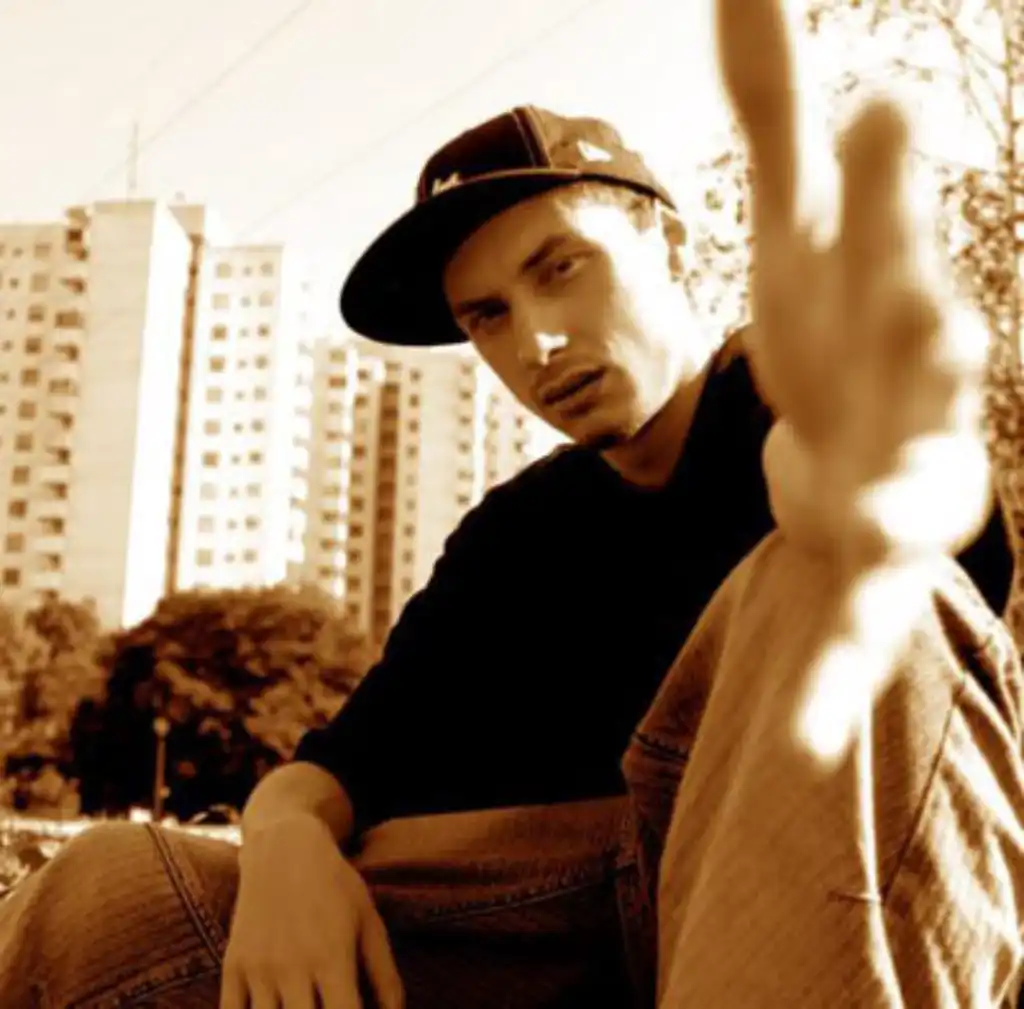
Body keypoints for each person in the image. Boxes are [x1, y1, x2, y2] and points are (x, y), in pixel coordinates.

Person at [1, 2, 1022, 1006]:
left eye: (561, 268)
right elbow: (340, 764)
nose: (534, 341)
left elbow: (873, 513)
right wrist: (284, 841)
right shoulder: (512, 537)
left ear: (668, 243)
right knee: (110, 893)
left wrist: (869, 468)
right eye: (486, 315)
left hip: (799, 887)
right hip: (567, 922)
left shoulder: (790, 400)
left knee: (837, 586)